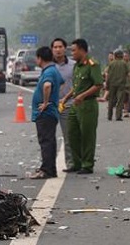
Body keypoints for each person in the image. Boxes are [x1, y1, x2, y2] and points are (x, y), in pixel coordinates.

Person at [60, 38, 103, 174]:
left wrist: (82, 96)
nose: (72, 53)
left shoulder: (92, 65)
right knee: (72, 133)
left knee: (87, 135)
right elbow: (76, 86)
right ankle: (76, 163)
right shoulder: (77, 66)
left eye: (74, 50)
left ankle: (87, 165)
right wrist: (66, 97)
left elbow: (98, 85)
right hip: (75, 104)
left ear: (82, 50)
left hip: (88, 104)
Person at [30, 46, 63, 179]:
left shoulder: (49, 72)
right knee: (49, 141)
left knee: (46, 141)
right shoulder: (53, 70)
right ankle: (50, 168)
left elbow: (47, 85)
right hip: (51, 111)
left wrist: (45, 102)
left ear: (40, 58)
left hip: (46, 113)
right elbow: (60, 82)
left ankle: (47, 170)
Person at [51, 38, 75, 171]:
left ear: (65, 48)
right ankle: (49, 165)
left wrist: (66, 99)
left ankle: (71, 163)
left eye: (60, 47)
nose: (58, 49)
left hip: (68, 104)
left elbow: (76, 85)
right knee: (48, 138)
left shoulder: (73, 65)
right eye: (55, 47)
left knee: (69, 136)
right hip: (51, 106)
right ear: (52, 49)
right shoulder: (49, 66)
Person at [105, 50, 129, 121]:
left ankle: (109, 116)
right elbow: (127, 73)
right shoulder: (124, 64)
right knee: (120, 100)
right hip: (121, 85)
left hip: (112, 84)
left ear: (115, 55)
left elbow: (108, 75)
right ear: (121, 55)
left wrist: (107, 84)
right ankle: (118, 116)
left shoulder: (111, 64)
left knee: (111, 100)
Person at [124, 50, 130, 118]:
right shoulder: (122, 64)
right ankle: (126, 112)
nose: (125, 57)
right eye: (124, 56)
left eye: (126, 56)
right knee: (125, 99)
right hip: (124, 83)